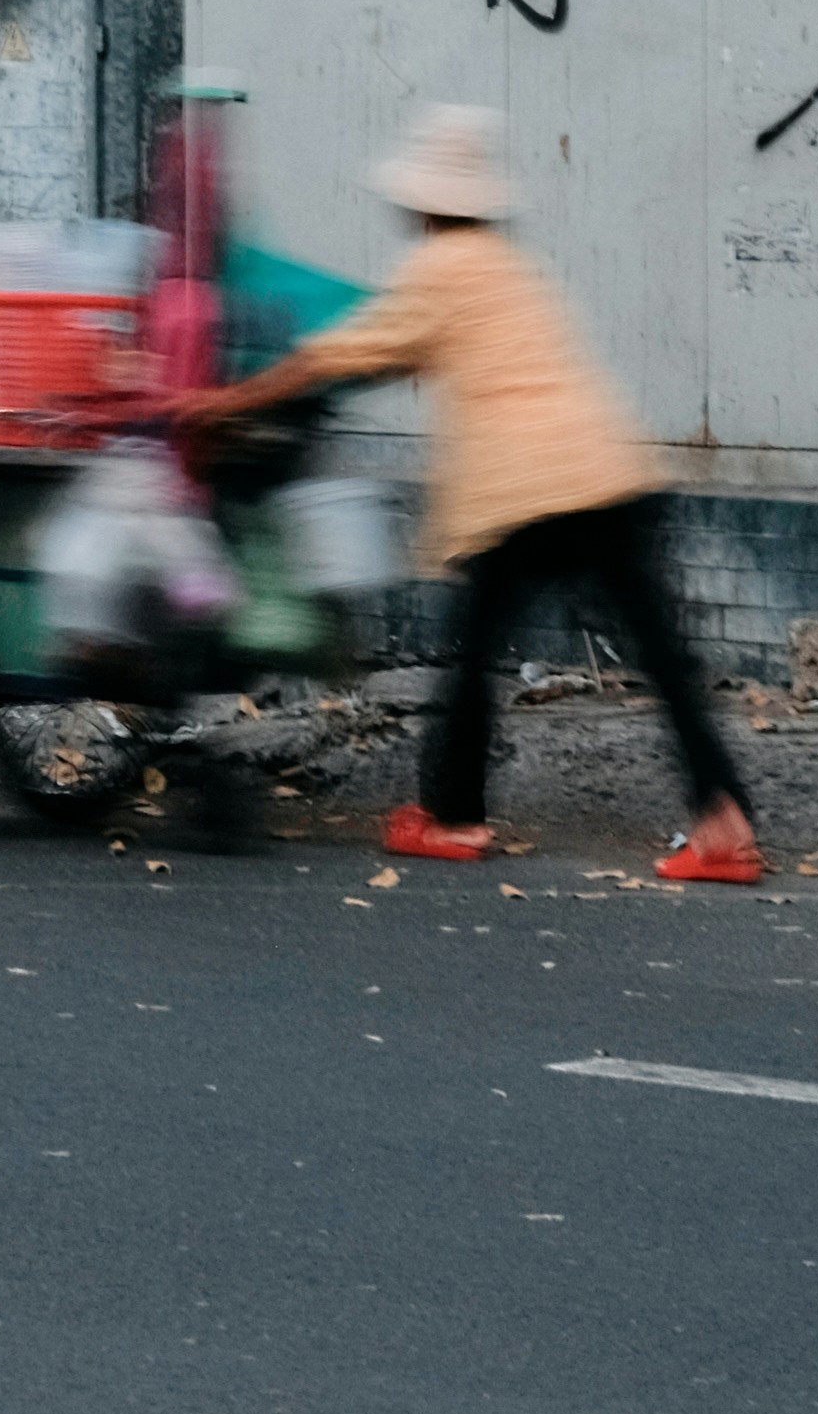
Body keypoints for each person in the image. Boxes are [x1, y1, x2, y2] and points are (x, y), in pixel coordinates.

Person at [194, 104, 761, 880]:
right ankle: (724, 822)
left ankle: (454, 815)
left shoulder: (440, 266)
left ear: (425, 204)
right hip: (608, 473)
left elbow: (337, 356)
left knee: (473, 656)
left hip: (521, 494)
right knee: (662, 660)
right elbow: (405, 351)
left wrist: (226, 404)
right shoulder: (511, 267)